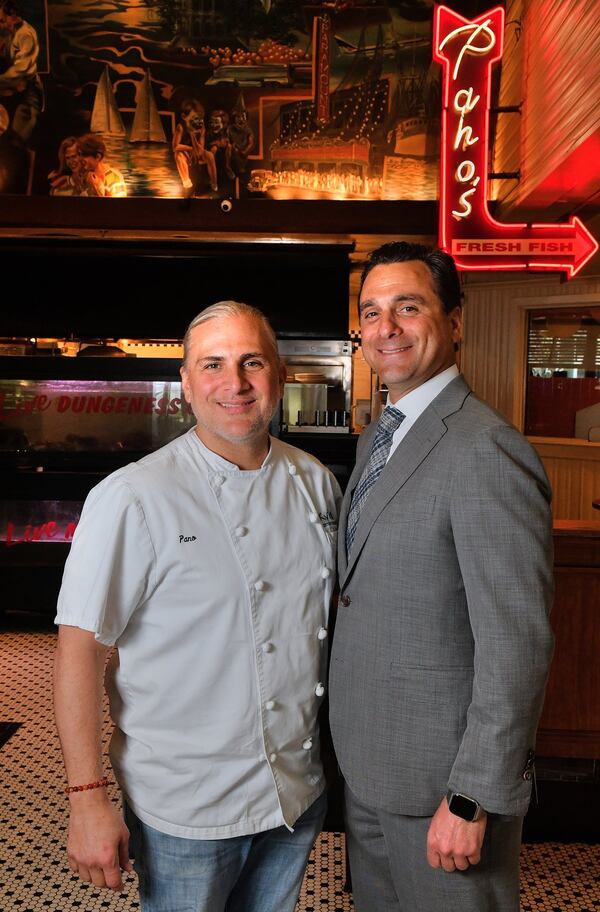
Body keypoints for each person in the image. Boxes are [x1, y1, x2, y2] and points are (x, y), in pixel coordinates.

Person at [53, 301, 341, 912]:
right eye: (212, 364)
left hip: (293, 792)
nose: (233, 383)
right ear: (185, 382)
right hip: (187, 807)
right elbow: (78, 653)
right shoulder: (133, 496)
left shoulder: (314, 481)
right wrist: (87, 800)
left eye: (251, 362)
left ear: (279, 374)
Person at [328, 242, 554, 912]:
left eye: (408, 307)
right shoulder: (380, 436)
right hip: (371, 772)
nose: (386, 327)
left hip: (443, 793)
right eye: (371, 312)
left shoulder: (486, 450)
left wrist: (471, 796)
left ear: (455, 319)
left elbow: (517, 644)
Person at [0, 0, 43, 144]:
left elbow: (21, 68)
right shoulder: (11, 35)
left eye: (3, 20)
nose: (2, 24)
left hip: (28, 92)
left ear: (13, 15)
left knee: (21, 138)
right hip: (13, 91)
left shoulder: (25, 34)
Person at [172, 98, 217, 195]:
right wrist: (190, 148)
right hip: (186, 153)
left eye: (200, 118)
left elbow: (200, 150)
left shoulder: (201, 128)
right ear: (184, 117)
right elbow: (175, 147)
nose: (199, 121)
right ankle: (186, 181)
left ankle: (214, 182)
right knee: (178, 155)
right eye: (195, 118)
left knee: (209, 155)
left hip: (197, 153)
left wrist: (194, 138)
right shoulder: (180, 127)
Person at [76, 133, 127, 197]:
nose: (79, 159)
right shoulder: (83, 175)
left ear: (98, 157)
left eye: (84, 155)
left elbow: (120, 206)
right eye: (79, 155)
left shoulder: (114, 177)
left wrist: (97, 190)